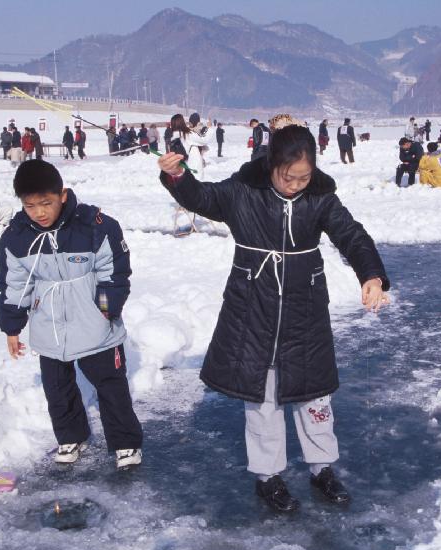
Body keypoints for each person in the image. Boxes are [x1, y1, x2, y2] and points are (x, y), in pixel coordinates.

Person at [156, 119, 390, 512]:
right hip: (253, 309)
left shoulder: (320, 198)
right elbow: (203, 198)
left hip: (306, 311)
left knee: (314, 395)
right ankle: (268, 477)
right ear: (272, 166)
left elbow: (352, 235)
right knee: (262, 399)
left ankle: (322, 469)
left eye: (304, 176)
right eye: (289, 176)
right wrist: (178, 175)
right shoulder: (244, 191)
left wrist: (372, 275)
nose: (297, 183)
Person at [0, 160, 142, 468]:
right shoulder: (17, 237)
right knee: (57, 389)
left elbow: (114, 270)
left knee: (110, 385)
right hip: (49, 324)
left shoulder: (94, 226)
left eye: (46, 203)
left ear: (62, 195)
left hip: (94, 323)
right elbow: (14, 284)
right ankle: (70, 436)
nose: (39, 213)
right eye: (30, 206)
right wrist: (12, 327)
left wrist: (106, 309)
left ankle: (125, 443)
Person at [169, 113, 212, 180]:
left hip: (182, 170)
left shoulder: (173, 137)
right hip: (193, 170)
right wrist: (209, 128)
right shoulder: (187, 135)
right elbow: (204, 140)